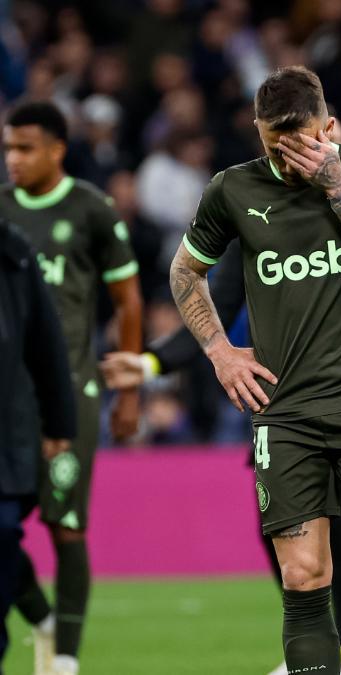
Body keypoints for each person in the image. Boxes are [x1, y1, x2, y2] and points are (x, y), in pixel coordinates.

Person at [170, 65, 341, 674]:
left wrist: (333, 178)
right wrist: (220, 352)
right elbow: (185, 272)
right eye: (271, 145)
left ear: (328, 125)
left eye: (301, 142)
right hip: (284, 412)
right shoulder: (233, 189)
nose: (286, 160)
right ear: (257, 133)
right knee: (306, 575)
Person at [101, 121, 341, 675]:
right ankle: (318, 647)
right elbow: (213, 305)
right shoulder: (255, 221)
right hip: (281, 403)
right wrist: (152, 362)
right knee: (276, 528)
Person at [0, 100, 144, 675]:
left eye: (25, 148)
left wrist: (129, 391)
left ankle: (63, 660)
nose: (13, 160)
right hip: (7, 400)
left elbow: (128, 299)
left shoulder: (91, 209)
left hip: (71, 396)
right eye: (8, 148)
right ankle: (38, 613)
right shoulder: (2, 211)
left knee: (64, 525)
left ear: (57, 149)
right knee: (2, 528)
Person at [0, 220, 76, 668]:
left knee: (3, 530)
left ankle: (32, 611)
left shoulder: (14, 254)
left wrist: (60, 425)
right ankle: (35, 607)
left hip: (8, 433)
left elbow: (45, 344)